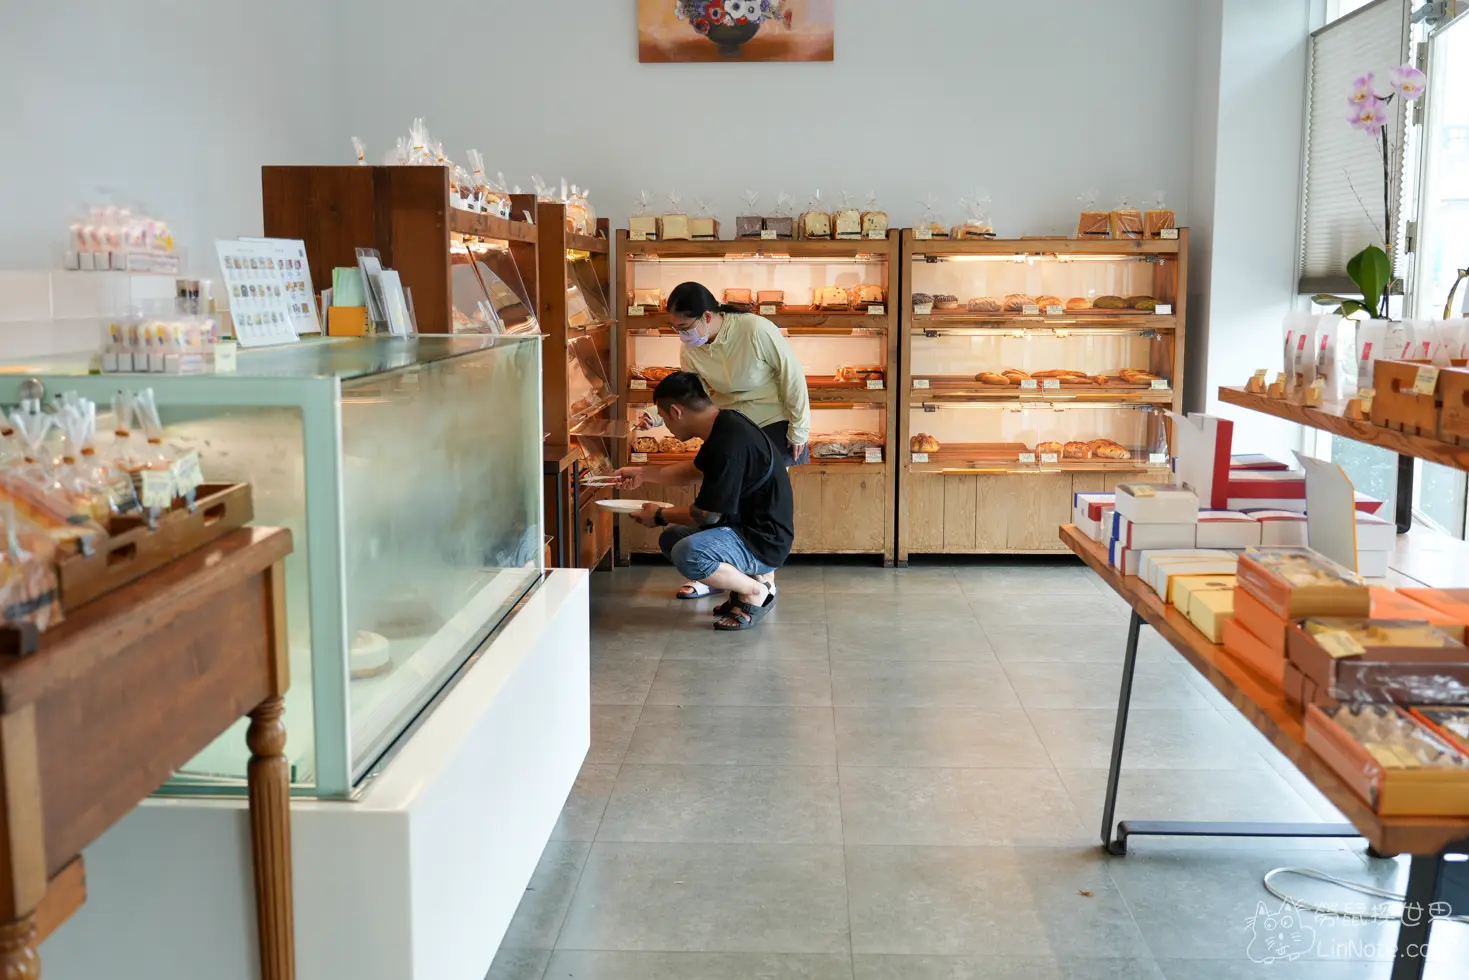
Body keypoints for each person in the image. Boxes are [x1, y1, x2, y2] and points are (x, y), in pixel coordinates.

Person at [658, 280, 810, 600]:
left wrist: (799, 429)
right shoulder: (692, 347)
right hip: (727, 427)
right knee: (720, 498)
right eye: (675, 328)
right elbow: (692, 396)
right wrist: (657, 415)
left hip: (771, 421)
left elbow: (792, 376)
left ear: (707, 316)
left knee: (757, 505)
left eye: (684, 327)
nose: (682, 335)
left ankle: (763, 580)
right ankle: (716, 572)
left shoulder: (755, 329)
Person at [617, 372, 793, 631]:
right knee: (672, 538)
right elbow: (695, 471)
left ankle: (755, 591)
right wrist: (643, 474)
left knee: (688, 552)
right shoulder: (725, 423)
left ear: (676, 411)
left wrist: (658, 515)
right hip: (743, 527)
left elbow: (706, 514)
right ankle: (747, 584)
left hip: (763, 539)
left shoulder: (728, 443)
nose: (667, 427)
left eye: (664, 418)